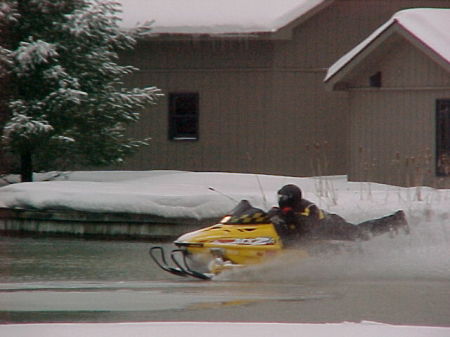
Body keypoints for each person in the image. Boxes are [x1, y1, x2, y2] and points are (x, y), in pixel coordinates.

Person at [268, 184, 408, 246]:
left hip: (333, 226)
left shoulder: (306, 208)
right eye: (280, 197)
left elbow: (310, 225)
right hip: (319, 232)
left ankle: (395, 220)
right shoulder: (286, 210)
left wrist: (291, 217)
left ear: (293, 197)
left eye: (284, 197)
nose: (281, 200)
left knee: (360, 234)